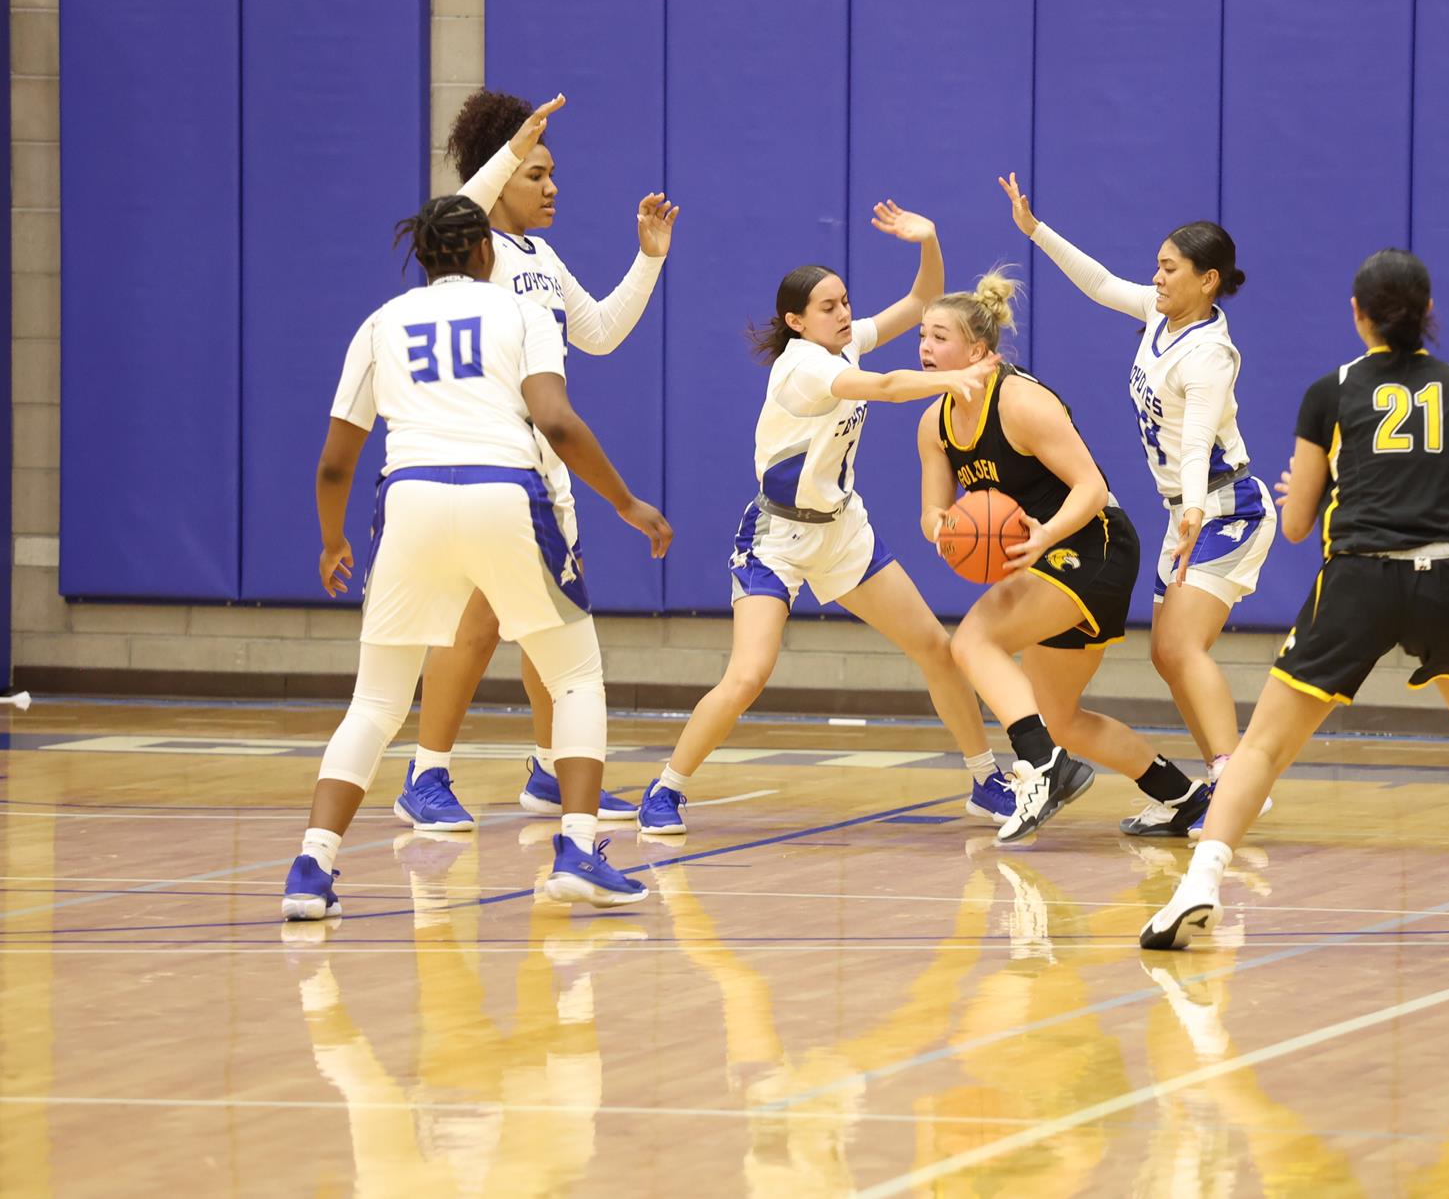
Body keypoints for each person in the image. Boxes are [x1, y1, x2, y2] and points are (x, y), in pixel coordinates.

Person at [1140, 248, 1449, 948]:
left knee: (1263, 746)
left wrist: (1298, 492)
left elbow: (1296, 524)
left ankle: (1198, 887)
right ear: (1427, 313)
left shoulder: (1330, 391)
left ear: (1358, 315)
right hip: (1444, 576)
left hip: (1357, 581)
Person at [280, 195, 672, 920]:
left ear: (423, 257)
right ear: (485, 253)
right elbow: (555, 419)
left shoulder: (379, 323)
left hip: (410, 500)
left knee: (374, 701)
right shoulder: (518, 313)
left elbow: (337, 462)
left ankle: (311, 865)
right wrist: (625, 500)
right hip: (503, 493)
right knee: (577, 675)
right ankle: (578, 850)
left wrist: (333, 539)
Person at [635, 204, 1014, 835]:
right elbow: (890, 387)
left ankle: (984, 779)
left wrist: (930, 239)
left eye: (845, 302)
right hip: (776, 539)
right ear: (795, 321)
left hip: (840, 531)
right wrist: (959, 379)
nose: (844, 314)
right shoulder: (804, 366)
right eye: (829, 307)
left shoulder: (843, 343)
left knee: (935, 649)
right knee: (750, 673)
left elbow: (923, 298)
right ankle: (666, 788)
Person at [391, 90, 679, 831]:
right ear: (501, 171)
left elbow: (603, 333)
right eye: (534, 172)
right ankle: (426, 773)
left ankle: (553, 770)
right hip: (479, 459)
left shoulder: (540, 257)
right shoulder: (469, 245)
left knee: (550, 614)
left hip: (541, 467)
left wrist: (647, 261)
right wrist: (509, 150)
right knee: (480, 619)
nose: (551, 187)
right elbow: (464, 199)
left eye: (553, 174)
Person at [1000, 175, 1276, 836]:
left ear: (1208, 280)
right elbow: (1099, 283)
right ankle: (1213, 783)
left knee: (1180, 647)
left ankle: (1233, 778)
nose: (1155, 276)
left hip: (1223, 507)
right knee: (1168, 652)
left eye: (1169, 267)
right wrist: (1035, 230)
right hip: (1188, 508)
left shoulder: (1210, 353)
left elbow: (1199, 438)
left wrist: (1188, 518)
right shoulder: (1161, 314)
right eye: (1156, 264)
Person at [916, 273, 1211, 846]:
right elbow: (931, 512)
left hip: (1093, 543)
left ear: (977, 350)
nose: (926, 349)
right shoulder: (935, 423)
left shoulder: (1022, 401)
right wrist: (950, 530)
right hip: (1047, 557)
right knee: (1061, 719)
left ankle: (1041, 767)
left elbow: (1092, 488)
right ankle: (1182, 797)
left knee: (972, 641)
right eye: (922, 338)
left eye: (939, 338)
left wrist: (1043, 533)